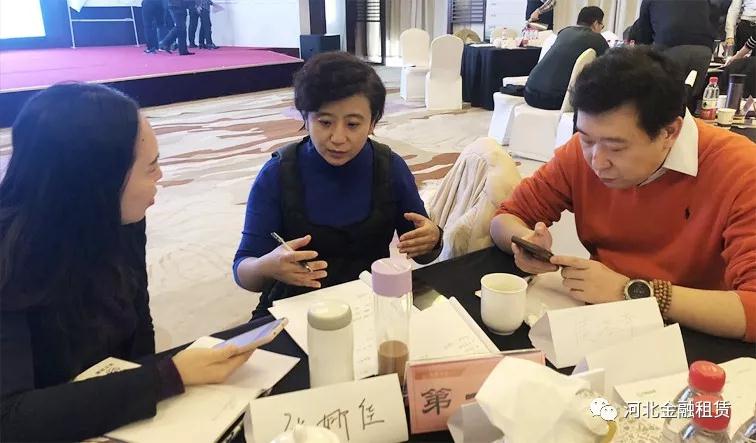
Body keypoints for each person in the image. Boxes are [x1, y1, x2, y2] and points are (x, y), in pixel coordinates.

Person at [0, 83, 253, 441]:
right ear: (98, 182)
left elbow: (137, 325)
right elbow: (9, 418)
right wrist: (167, 377)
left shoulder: (120, 221)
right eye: (151, 167)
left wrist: (152, 393)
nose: (160, 176)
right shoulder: (11, 256)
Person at [490, 47, 756, 343]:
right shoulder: (580, 154)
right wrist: (525, 241)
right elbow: (506, 218)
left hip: (698, 334)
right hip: (602, 322)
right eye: (586, 139)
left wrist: (630, 290)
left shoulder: (741, 170)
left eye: (616, 147)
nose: (597, 161)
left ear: (669, 133)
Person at [233, 52, 443, 318]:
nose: (338, 138)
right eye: (325, 122)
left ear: (372, 123)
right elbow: (243, 271)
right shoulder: (278, 173)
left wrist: (433, 238)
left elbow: (422, 252)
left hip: (367, 301)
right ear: (305, 117)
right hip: (294, 308)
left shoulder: (390, 167)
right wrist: (266, 266)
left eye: (353, 124)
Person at [633, 0, 714, 110]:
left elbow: (643, 34)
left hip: (671, 48)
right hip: (703, 50)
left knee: (663, 101)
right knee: (689, 100)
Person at [524, 6, 609, 110]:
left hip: (528, 91)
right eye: (602, 26)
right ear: (596, 23)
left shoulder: (564, 32)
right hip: (552, 99)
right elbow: (609, 66)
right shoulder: (597, 38)